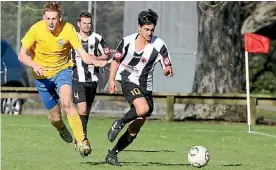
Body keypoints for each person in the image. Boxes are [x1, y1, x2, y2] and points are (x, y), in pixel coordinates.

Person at [18, 2, 106, 157]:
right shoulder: (36, 29)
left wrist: (95, 61)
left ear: (60, 18)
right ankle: (60, 128)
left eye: (54, 18)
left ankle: (82, 141)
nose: (51, 22)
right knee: (56, 118)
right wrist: (34, 64)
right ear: (43, 17)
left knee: (67, 103)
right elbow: (21, 55)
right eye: (48, 18)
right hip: (42, 77)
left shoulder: (68, 29)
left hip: (62, 72)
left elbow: (83, 54)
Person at [105, 9, 174, 166]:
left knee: (138, 123)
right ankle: (119, 123)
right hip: (127, 79)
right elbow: (115, 61)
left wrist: (168, 70)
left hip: (145, 86)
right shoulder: (127, 42)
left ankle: (113, 154)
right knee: (142, 109)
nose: (149, 33)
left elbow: (167, 64)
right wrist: (111, 80)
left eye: (152, 30)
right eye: (146, 29)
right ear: (139, 27)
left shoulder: (159, 45)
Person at [71, 12, 110, 152]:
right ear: (79, 24)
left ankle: (80, 137)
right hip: (77, 79)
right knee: (81, 108)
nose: (87, 25)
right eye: (84, 23)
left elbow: (106, 53)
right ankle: (82, 139)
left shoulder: (97, 38)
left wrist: (98, 57)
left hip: (92, 80)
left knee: (85, 112)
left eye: (89, 23)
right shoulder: (73, 37)